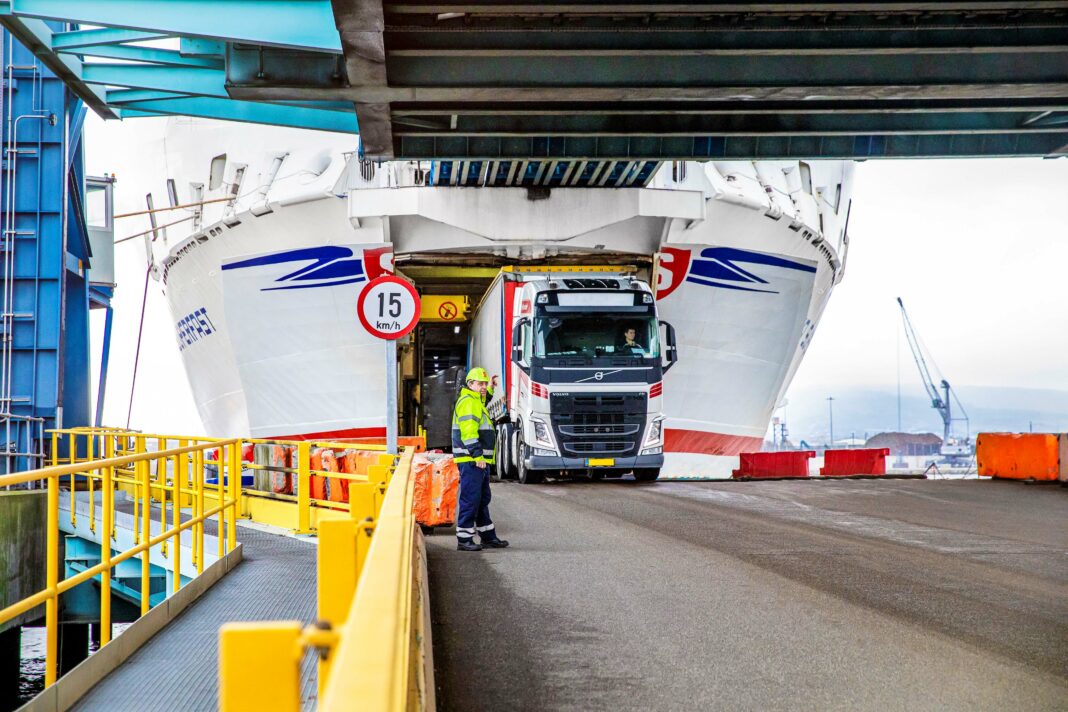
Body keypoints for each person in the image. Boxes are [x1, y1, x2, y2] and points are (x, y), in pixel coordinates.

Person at [451, 367, 509, 551]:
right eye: (480, 384)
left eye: (484, 384)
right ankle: (464, 539)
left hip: (477, 460)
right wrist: (477, 456)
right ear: (470, 384)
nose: (483, 387)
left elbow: (483, 400)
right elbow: (468, 433)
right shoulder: (468, 402)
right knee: (471, 499)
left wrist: (490, 388)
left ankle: (487, 536)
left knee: (482, 498)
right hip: (471, 459)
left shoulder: (475, 400)